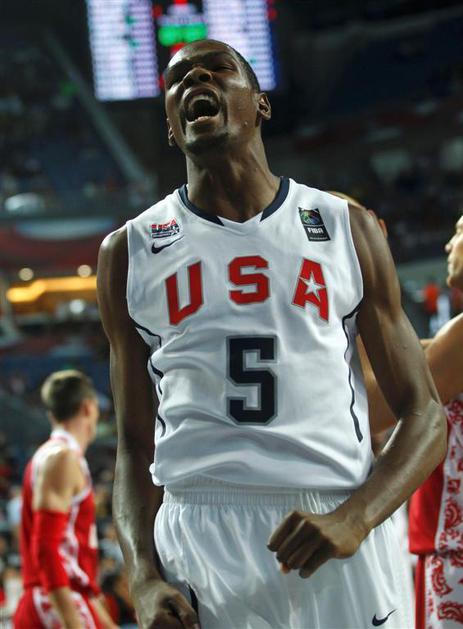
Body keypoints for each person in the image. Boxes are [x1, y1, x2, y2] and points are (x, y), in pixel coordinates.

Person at [97, 38, 446, 629]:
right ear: (171, 129)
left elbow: (426, 414)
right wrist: (143, 576)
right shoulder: (128, 252)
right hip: (199, 532)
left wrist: (358, 517)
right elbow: (133, 445)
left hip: (334, 515)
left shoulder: (346, 227)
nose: (195, 80)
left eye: (217, 69)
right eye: (178, 79)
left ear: (260, 104)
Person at [364, 215, 463, 628]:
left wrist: (365, 290)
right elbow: (408, 356)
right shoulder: (451, 341)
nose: (448, 245)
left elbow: (373, 409)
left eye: (459, 232)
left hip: (455, 550)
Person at [13, 370, 116, 629]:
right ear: (88, 407)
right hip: (56, 601)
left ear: (51, 414)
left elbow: (69, 563)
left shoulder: (50, 455)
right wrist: (72, 621)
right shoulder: (62, 457)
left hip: (61, 596)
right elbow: (46, 547)